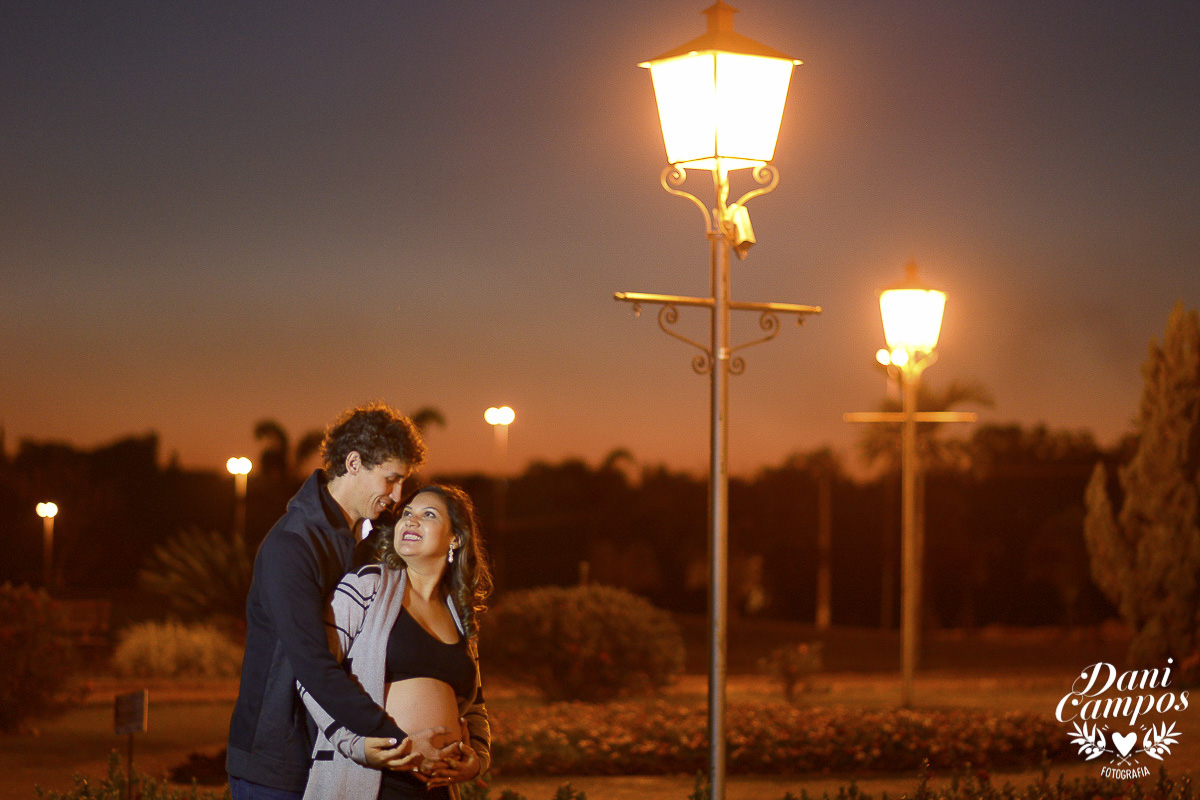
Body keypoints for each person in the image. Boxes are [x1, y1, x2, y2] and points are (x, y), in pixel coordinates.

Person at [227, 403, 447, 800]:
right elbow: (315, 665)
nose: (397, 495)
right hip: (276, 763)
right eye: (391, 479)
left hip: (333, 754)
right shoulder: (290, 547)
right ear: (353, 463)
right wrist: (402, 743)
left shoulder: (370, 538)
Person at [300, 484, 493, 800]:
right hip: (375, 781)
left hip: (438, 790)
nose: (410, 521)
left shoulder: (460, 615)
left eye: (427, 514)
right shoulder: (366, 586)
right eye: (406, 513)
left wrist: (477, 762)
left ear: (455, 538)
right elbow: (313, 675)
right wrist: (358, 745)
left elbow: (476, 707)